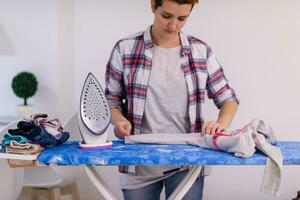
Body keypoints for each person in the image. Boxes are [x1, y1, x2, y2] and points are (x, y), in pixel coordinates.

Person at [105, 0, 239, 199]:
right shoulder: (125, 49)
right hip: (139, 163)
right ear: (153, 6)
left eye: (182, 18)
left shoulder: (201, 52)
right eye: (166, 16)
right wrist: (120, 121)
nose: (173, 25)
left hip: (187, 163)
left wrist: (220, 124)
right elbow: (110, 102)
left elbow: (229, 99)